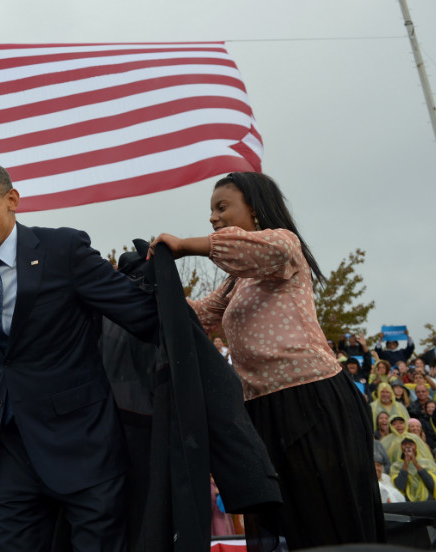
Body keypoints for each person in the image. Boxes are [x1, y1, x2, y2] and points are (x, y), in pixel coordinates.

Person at [149, 172, 383, 549]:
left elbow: (245, 249)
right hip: (261, 410)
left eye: (222, 207)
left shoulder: (285, 246)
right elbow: (194, 315)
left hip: (312, 402)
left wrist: (183, 246)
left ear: (255, 209)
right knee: (291, 525)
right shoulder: (235, 284)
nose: (213, 217)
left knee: (327, 522)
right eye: (211, 210)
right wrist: (139, 289)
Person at [0, 161, 159, 552]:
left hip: (84, 445)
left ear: (12, 200)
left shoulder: (62, 248)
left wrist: (159, 278)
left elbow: (142, 316)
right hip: (13, 448)